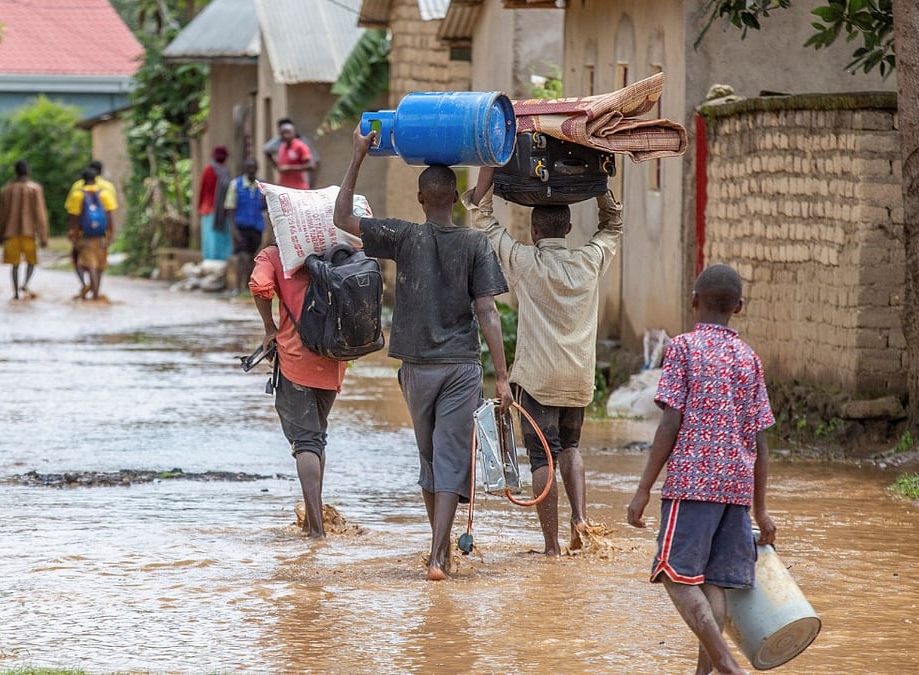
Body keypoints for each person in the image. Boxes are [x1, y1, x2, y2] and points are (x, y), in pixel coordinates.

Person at [332, 127, 513, 581]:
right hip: (461, 367)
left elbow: (341, 217)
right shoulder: (475, 244)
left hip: (416, 369)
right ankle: (438, 556)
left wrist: (358, 155)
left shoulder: (402, 236)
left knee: (431, 459)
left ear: (419, 198)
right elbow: (488, 312)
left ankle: (439, 551)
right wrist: (504, 378)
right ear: (455, 198)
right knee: (450, 458)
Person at [626, 264, 777, 675]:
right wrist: (761, 509)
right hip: (736, 489)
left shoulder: (683, 349)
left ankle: (727, 665)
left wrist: (643, 490)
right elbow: (761, 443)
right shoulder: (750, 360)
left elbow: (670, 424)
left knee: (673, 573)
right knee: (711, 581)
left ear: (694, 301)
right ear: (739, 308)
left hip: (693, 483)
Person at [465, 167, 624, 555]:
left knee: (542, 457)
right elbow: (613, 225)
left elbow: (483, 219)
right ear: (569, 229)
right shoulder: (590, 262)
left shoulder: (523, 262)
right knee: (570, 448)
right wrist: (599, 182)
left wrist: (486, 184)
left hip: (535, 378)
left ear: (535, 232)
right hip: (577, 378)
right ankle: (580, 521)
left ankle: (552, 546)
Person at [249, 244, 348, 538]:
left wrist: (269, 328)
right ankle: (310, 520)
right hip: (334, 357)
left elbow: (260, 285)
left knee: (306, 441)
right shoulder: (337, 249)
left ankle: (316, 530)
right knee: (317, 437)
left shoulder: (274, 255)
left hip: (295, 360)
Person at [0, 159, 49, 300]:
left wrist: (0, 234)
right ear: (28, 171)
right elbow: (40, 214)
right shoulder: (35, 189)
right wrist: (43, 236)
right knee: (31, 261)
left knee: (14, 264)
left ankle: (15, 293)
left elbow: (2, 214)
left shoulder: (7, 189)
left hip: (10, 232)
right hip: (29, 232)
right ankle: (25, 283)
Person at [66, 160, 119, 297]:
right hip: (102, 235)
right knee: (99, 265)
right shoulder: (107, 190)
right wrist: (111, 235)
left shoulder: (77, 190)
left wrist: (73, 235)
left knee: (89, 265)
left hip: (85, 236)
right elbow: (110, 216)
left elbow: (73, 216)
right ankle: (96, 293)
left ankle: (88, 288)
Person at [225, 158, 268, 292]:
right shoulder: (236, 185)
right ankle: (238, 286)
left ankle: (248, 286)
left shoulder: (261, 186)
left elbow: (266, 207)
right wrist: (234, 231)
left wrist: (265, 200)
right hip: (241, 226)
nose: (251, 170)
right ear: (245, 169)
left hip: (256, 227)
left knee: (251, 257)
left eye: (253, 167)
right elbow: (230, 208)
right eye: (248, 167)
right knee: (242, 257)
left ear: (257, 168)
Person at [199, 146, 233, 262]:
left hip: (208, 207)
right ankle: (221, 257)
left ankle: (210, 257)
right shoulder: (225, 171)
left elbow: (203, 189)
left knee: (209, 235)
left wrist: (199, 206)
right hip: (221, 209)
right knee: (219, 234)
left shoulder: (209, 169)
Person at [263, 117, 320, 186]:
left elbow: (312, 165)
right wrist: (277, 166)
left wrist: (289, 169)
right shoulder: (282, 146)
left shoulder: (301, 145)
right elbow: (266, 149)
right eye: (282, 133)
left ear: (293, 132)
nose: (285, 136)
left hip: (299, 187)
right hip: (285, 187)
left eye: (288, 132)